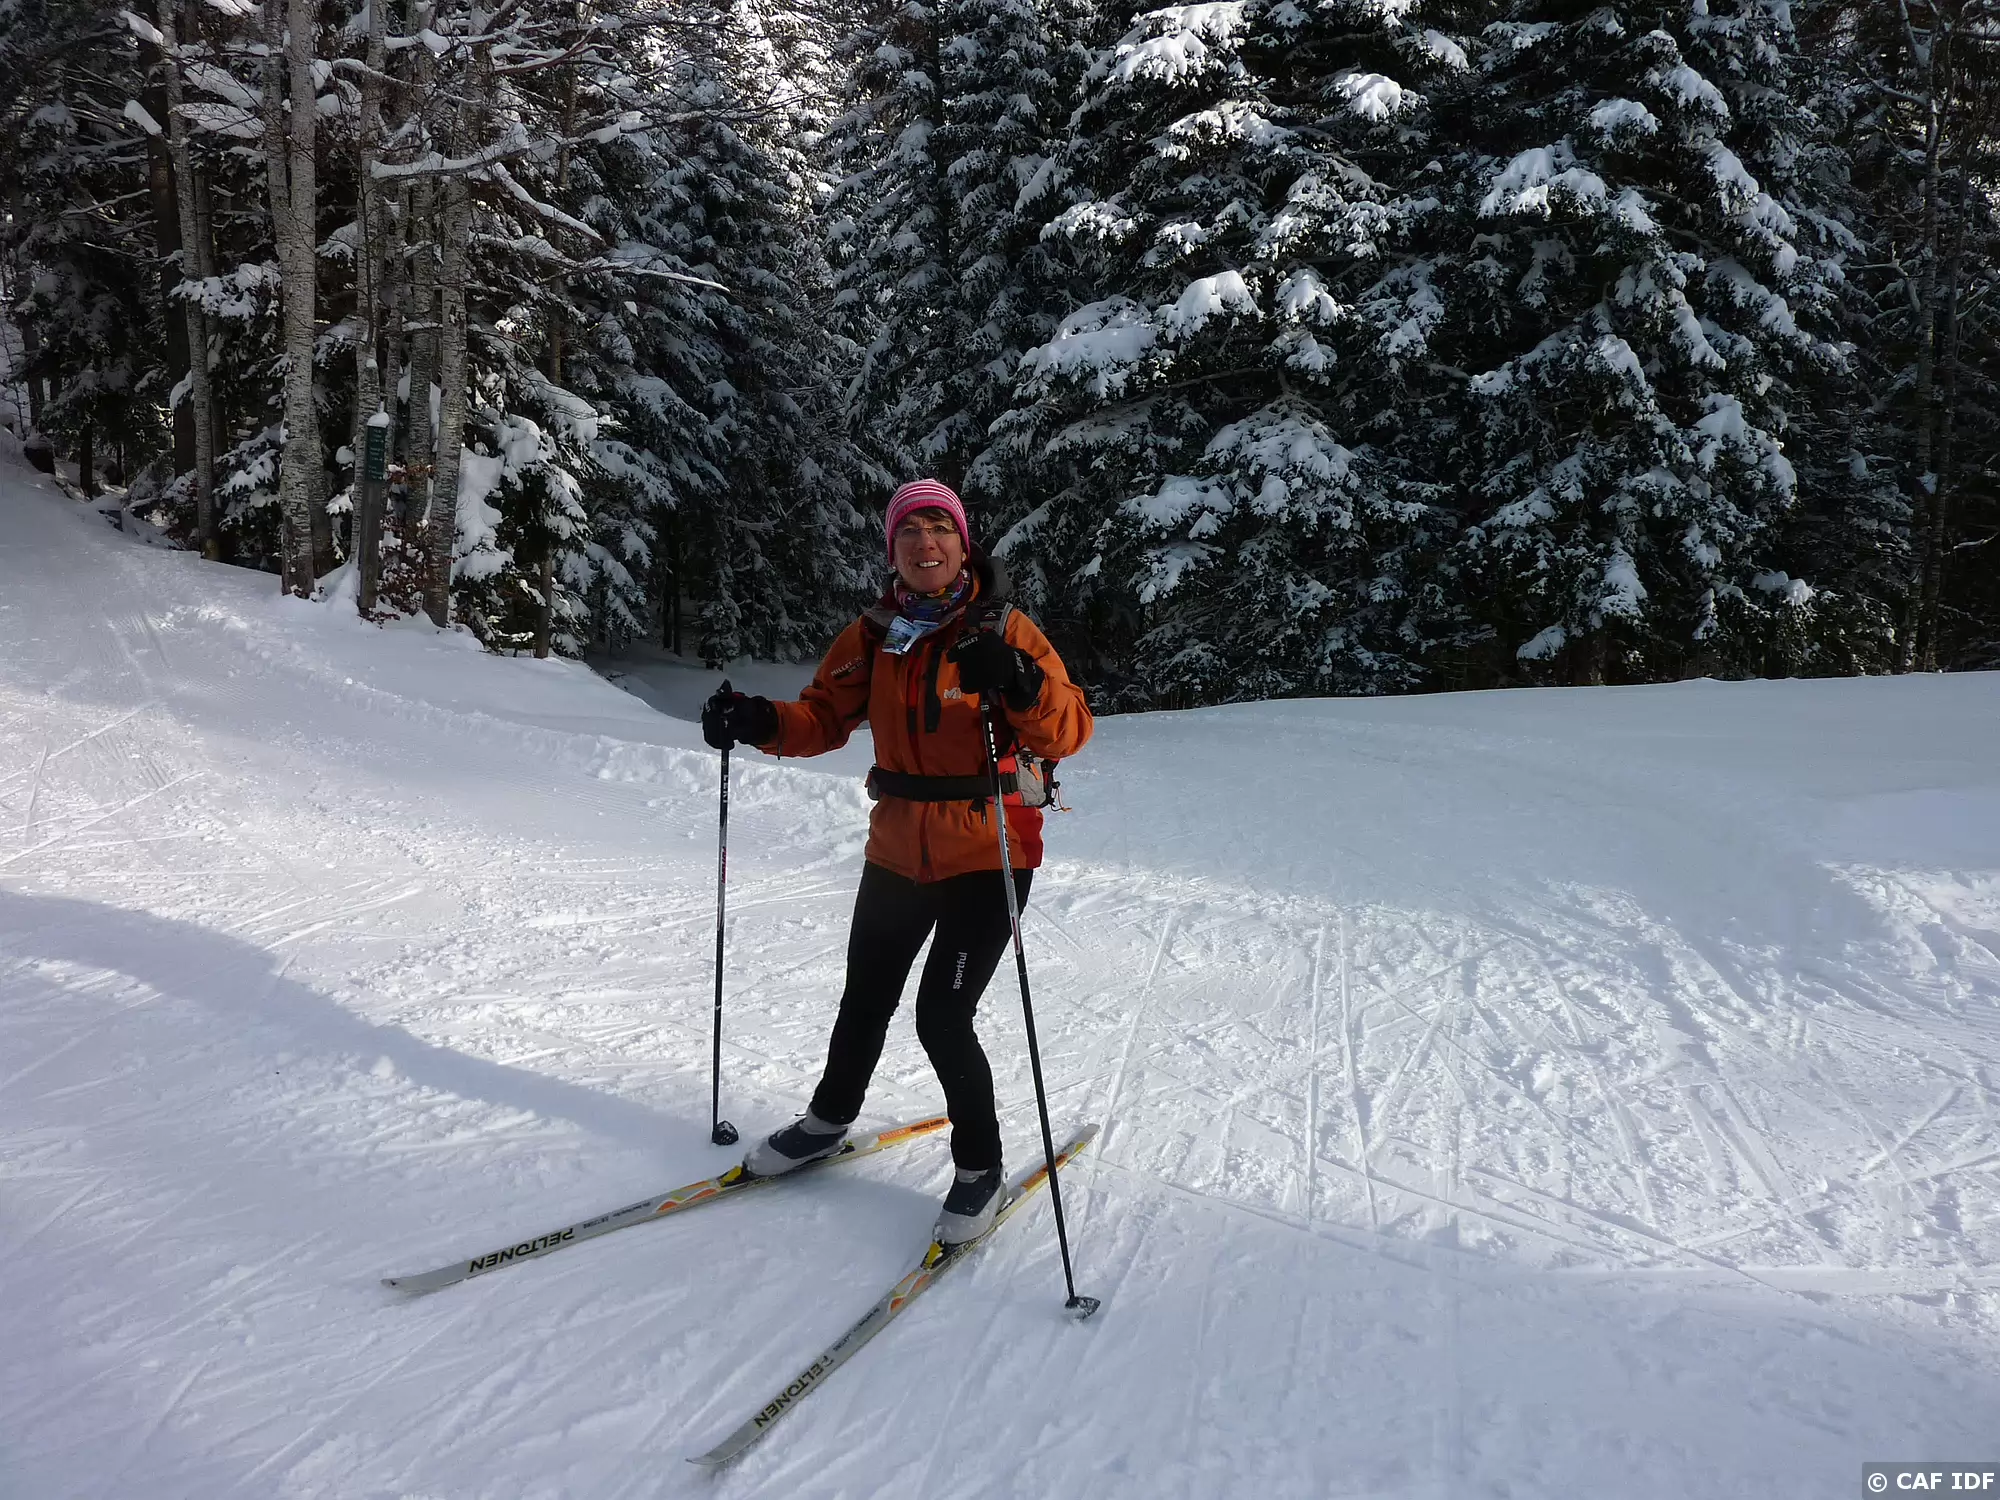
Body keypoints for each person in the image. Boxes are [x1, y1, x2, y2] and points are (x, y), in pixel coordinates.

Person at [700, 479, 1094, 1244]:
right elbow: (822, 716)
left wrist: (1018, 679)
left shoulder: (1006, 627)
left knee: (942, 1015)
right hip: (897, 848)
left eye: (939, 529)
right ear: (893, 550)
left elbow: (1070, 728)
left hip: (990, 849)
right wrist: (756, 719)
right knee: (865, 997)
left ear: (962, 544)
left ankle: (979, 1167)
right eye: (909, 532)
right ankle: (827, 1121)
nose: (925, 544)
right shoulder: (875, 634)